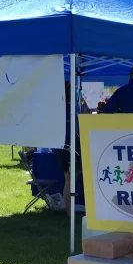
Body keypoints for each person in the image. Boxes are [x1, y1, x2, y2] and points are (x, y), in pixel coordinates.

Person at [52, 81, 81, 217]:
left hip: (60, 147)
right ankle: (71, 214)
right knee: (71, 179)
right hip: (71, 147)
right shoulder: (72, 109)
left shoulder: (56, 110)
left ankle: (69, 213)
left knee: (69, 179)